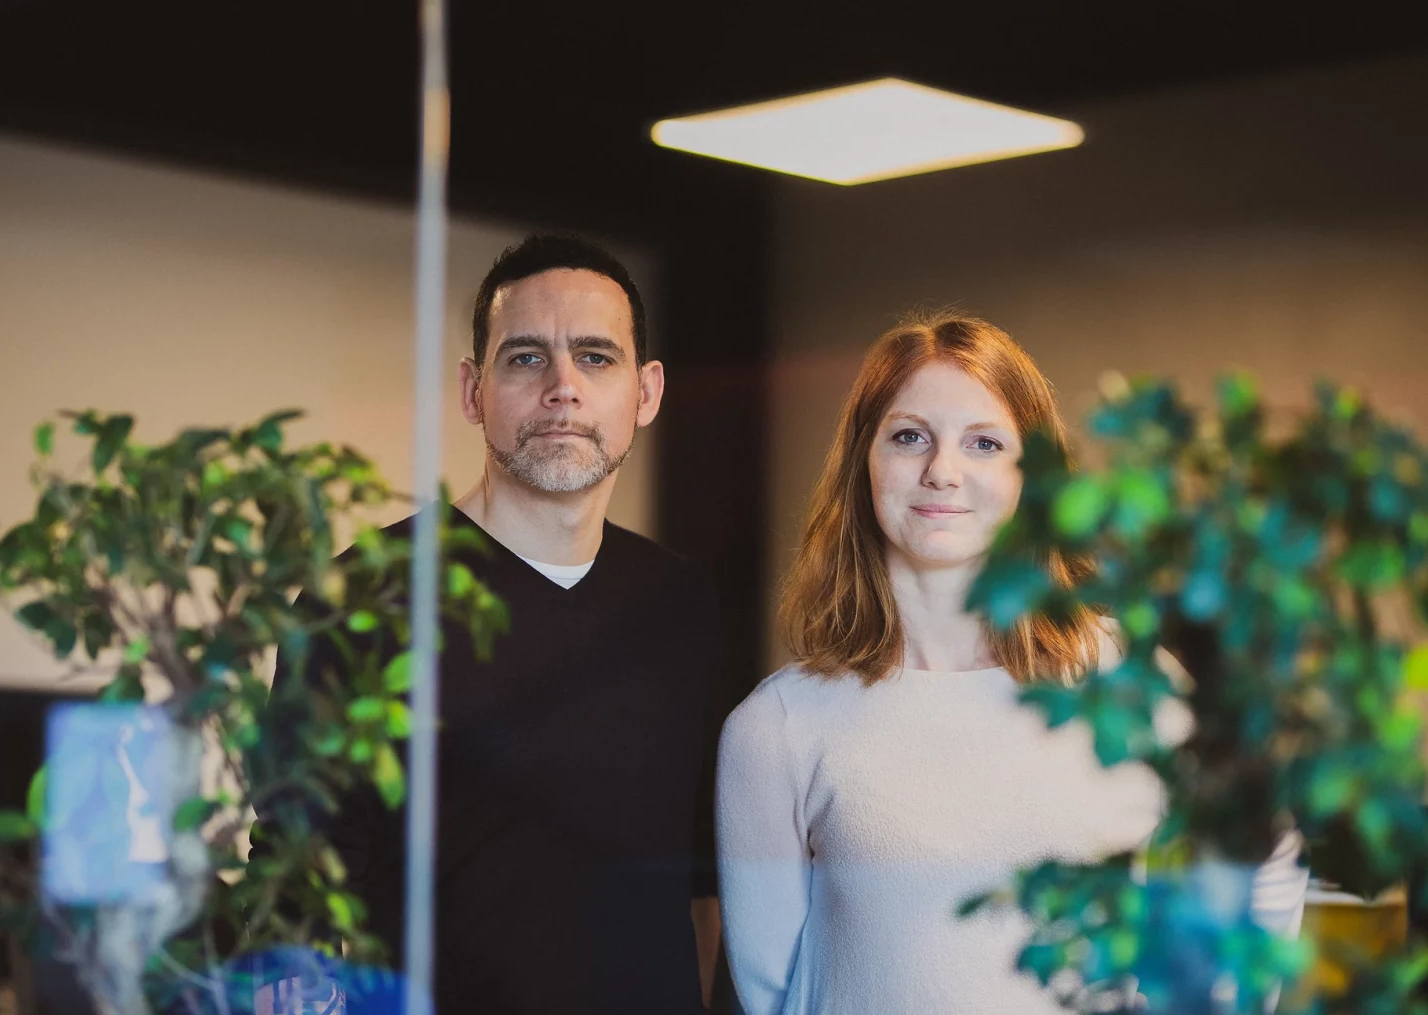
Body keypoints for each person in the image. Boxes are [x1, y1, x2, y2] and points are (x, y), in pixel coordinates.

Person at [716, 312, 1307, 1015]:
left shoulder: (1120, 678)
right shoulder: (779, 725)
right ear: (862, 464)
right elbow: (772, 993)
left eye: (984, 442)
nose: (942, 470)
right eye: (909, 437)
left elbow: (1266, 849)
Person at [257, 234, 729, 1015]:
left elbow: (699, 876)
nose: (563, 388)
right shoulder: (363, 596)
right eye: (526, 358)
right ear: (475, 390)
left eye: (595, 357)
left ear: (647, 392)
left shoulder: (679, 602)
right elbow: (292, 873)